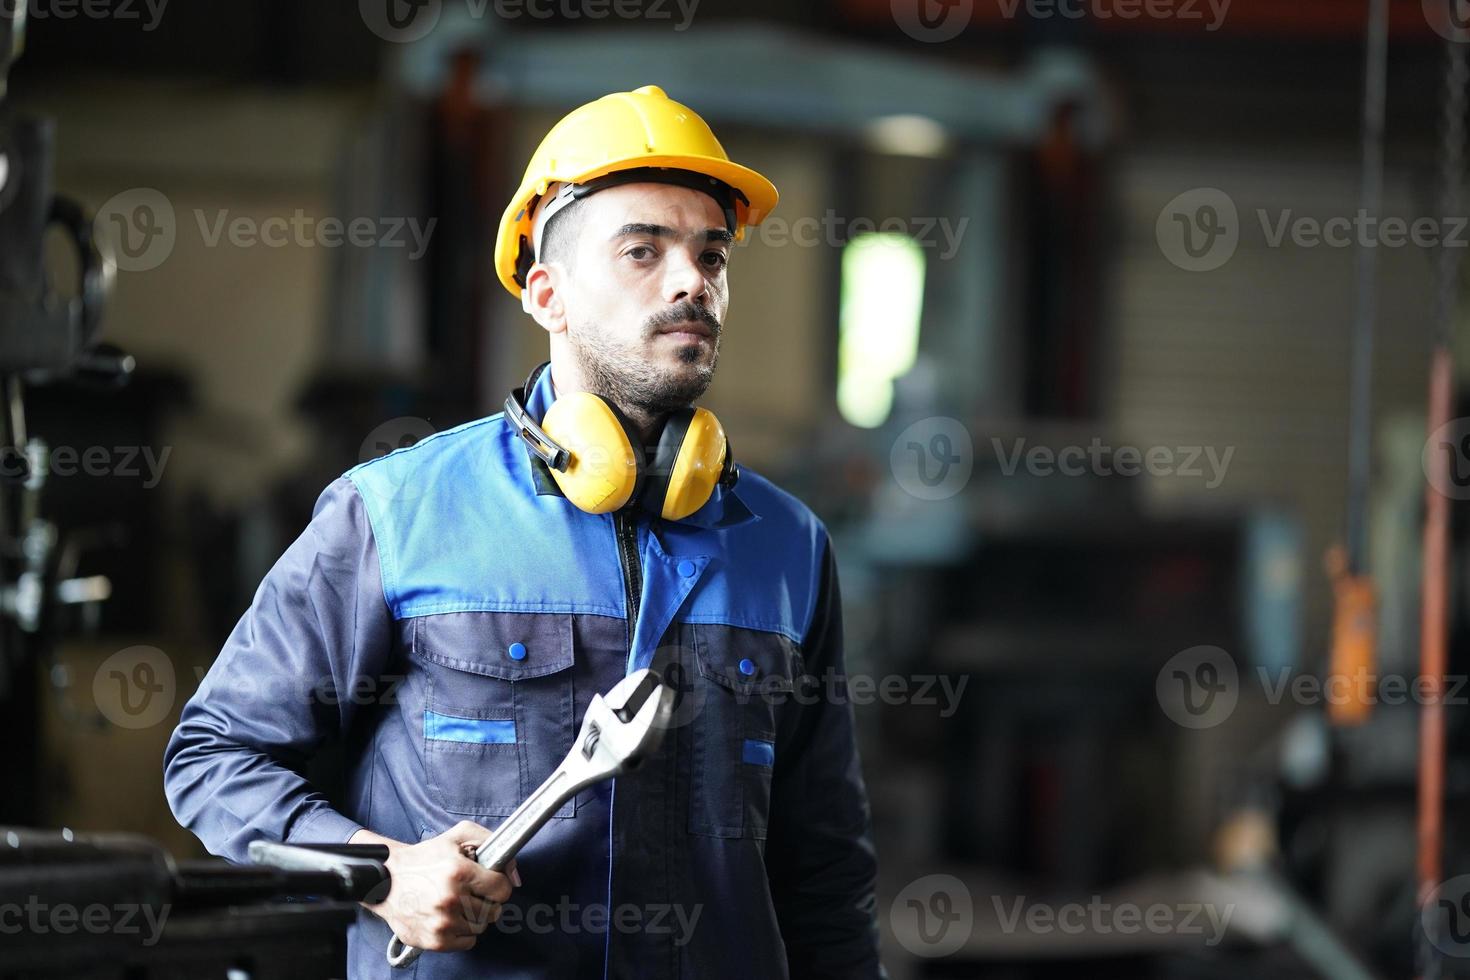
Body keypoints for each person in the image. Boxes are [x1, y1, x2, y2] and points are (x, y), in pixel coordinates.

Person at [164, 83, 884, 979]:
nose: (691, 280)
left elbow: (824, 868)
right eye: (642, 251)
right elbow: (216, 757)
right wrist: (380, 869)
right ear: (547, 294)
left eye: (711, 254)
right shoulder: (397, 513)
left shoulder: (788, 545)